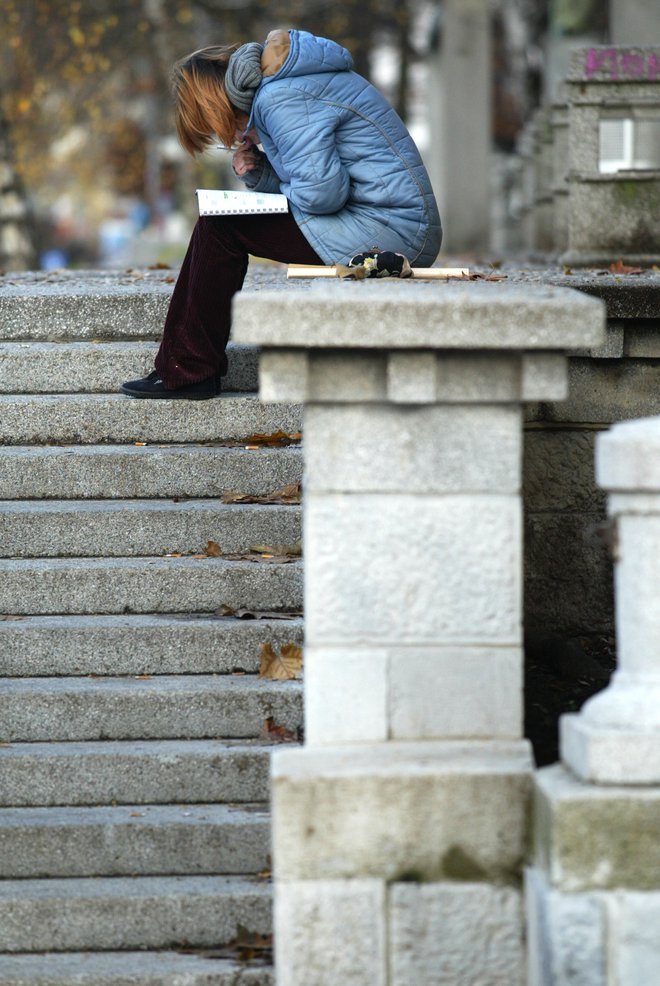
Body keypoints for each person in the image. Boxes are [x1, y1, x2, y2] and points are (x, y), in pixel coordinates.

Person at [121, 27, 442, 400]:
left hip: (392, 232)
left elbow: (322, 194)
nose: (226, 137)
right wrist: (260, 174)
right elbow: (321, 183)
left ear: (212, 103)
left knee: (220, 226)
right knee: (219, 222)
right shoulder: (286, 87)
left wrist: (268, 178)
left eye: (210, 125)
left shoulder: (279, 99)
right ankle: (183, 365)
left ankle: (188, 369)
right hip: (387, 222)